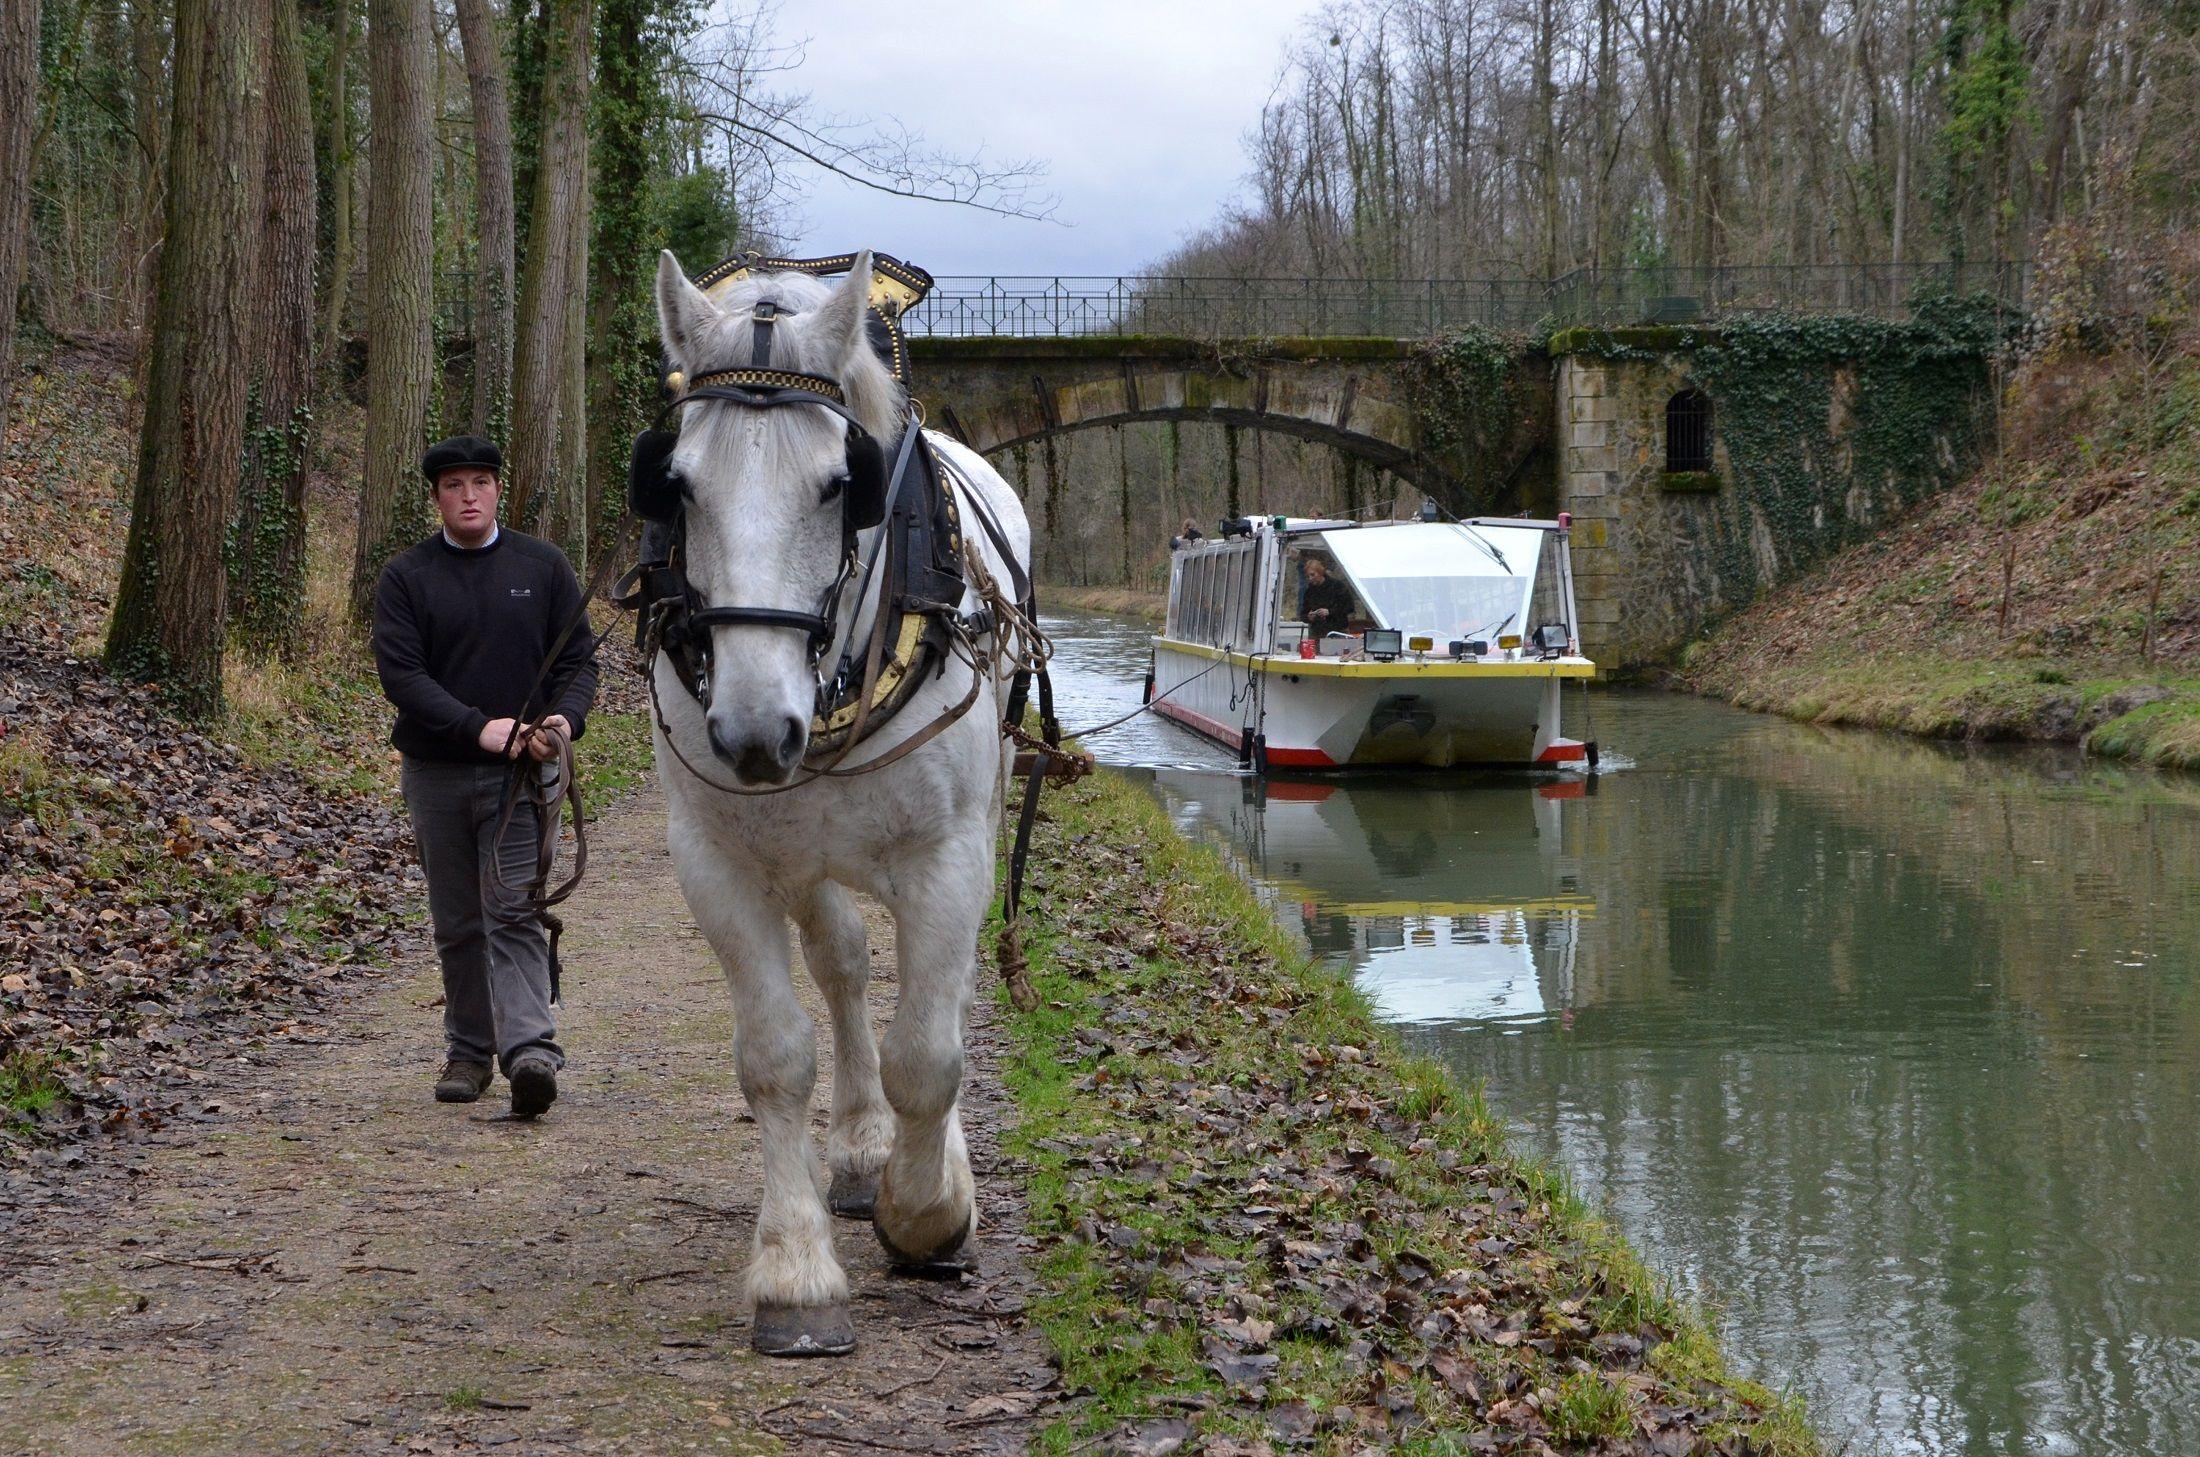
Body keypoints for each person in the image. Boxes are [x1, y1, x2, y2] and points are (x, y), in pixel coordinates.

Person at [371, 435, 599, 1119]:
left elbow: (580, 663)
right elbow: (403, 676)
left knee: (516, 910)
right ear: (436, 497)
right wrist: (478, 727)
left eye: (480, 482)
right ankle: (468, 1052)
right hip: (437, 772)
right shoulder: (406, 578)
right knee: (458, 920)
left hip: (522, 781)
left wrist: (561, 723)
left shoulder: (544, 566)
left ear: (500, 490)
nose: (468, 495)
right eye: (453, 485)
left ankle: (531, 1050)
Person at [1298, 556, 1355, 629]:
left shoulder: (1337, 586)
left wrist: (1329, 612)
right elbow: (1303, 613)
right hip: (1316, 631)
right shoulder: (1309, 591)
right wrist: (1309, 617)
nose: (1310, 578)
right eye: (1307, 576)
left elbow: (1349, 607)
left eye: (1312, 574)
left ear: (1320, 572)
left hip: (1337, 629)